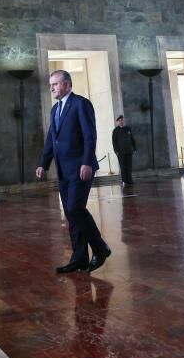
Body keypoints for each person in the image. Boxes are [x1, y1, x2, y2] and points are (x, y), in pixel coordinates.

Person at [36, 69, 111, 273]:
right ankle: (79, 258)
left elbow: (90, 136)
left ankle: (100, 248)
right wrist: (44, 163)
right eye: (50, 84)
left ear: (67, 84)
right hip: (63, 170)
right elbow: (52, 139)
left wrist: (87, 162)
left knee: (75, 208)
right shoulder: (54, 110)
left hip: (80, 168)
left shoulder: (80, 104)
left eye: (55, 84)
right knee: (70, 213)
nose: (51, 87)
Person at [111, 115, 136, 185]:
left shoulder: (128, 128)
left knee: (129, 166)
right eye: (119, 121)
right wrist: (116, 151)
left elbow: (132, 139)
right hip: (121, 152)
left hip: (129, 151)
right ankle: (124, 181)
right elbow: (114, 142)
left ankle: (129, 180)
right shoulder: (115, 131)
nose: (121, 122)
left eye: (122, 120)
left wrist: (134, 148)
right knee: (123, 167)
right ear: (117, 122)